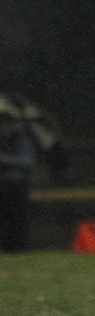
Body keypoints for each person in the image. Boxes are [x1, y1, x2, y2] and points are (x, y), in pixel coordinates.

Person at [0, 107, 37, 253]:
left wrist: (7, 159)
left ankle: (20, 247)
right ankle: (6, 247)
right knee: (4, 218)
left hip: (17, 185)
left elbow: (28, 161)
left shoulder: (22, 140)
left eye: (7, 123)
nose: (4, 127)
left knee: (18, 217)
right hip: (3, 185)